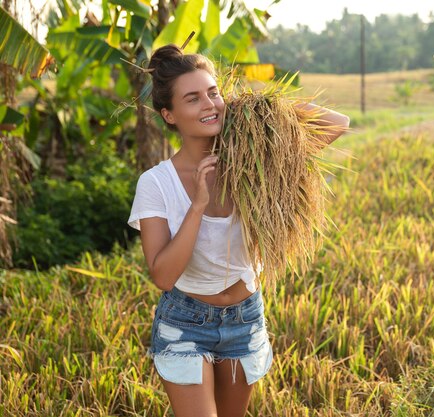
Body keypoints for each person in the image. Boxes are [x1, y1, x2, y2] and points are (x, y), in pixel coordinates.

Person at [127, 44, 350, 417]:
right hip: (185, 322)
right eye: (193, 98)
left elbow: (337, 122)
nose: (209, 104)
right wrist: (198, 204)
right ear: (169, 114)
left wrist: (261, 108)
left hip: (245, 318)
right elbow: (163, 275)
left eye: (213, 93)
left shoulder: (258, 160)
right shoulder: (156, 183)